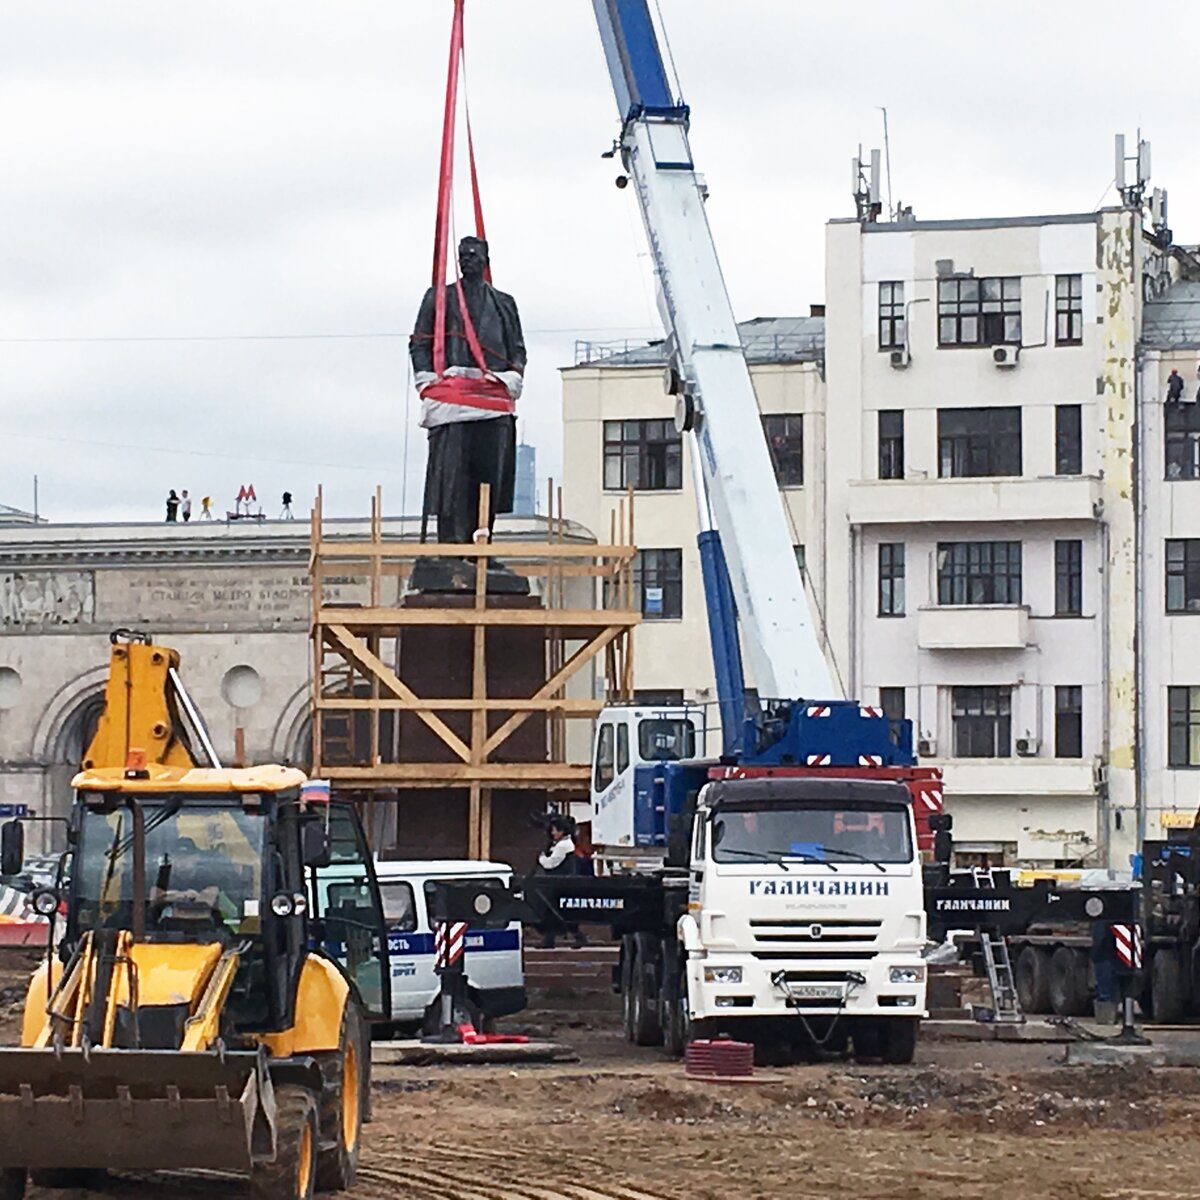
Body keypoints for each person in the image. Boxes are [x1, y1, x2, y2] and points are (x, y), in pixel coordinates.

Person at [409, 236, 526, 547]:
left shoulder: (504, 303)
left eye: (474, 254)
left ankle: (482, 544)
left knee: (490, 476)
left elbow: (517, 349)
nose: (468, 259)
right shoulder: (439, 297)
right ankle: (452, 546)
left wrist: (513, 376)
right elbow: (419, 342)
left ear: (486, 259)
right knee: (453, 477)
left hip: (493, 401)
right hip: (453, 400)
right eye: (463, 255)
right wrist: (427, 383)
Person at [536, 815, 584, 949]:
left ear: (562, 831)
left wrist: (541, 858)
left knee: (557, 911)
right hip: (559, 883)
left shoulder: (563, 846)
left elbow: (551, 864)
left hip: (560, 883)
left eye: (555, 830)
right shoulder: (563, 844)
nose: (552, 833)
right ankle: (549, 939)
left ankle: (577, 936)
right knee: (554, 911)